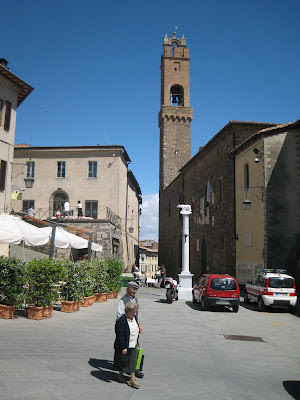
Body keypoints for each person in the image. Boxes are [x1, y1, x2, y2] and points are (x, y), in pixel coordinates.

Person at [116, 281, 143, 378]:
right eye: (133, 289)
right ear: (127, 289)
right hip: (126, 325)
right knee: (125, 347)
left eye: (136, 289)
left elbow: (137, 314)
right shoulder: (123, 300)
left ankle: (135, 368)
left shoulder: (135, 299)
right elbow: (120, 316)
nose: (134, 291)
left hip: (134, 324)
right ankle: (124, 369)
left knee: (135, 346)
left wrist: (138, 324)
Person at [114, 302, 140, 388]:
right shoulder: (121, 321)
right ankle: (120, 375)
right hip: (125, 345)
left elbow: (136, 328)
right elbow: (120, 335)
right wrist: (123, 347)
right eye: (133, 312)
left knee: (132, 362)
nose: (135, 313)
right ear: (128, 311)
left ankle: (132, 380)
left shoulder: (134, 318)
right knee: (123, 362)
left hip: (133, 344)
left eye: (135, 311)